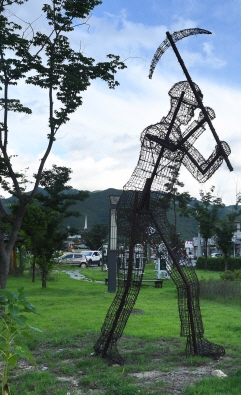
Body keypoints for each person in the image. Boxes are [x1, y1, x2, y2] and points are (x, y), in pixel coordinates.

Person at [94, 81, 230, 364]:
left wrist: (219, 155)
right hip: (137, 204)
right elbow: (172, 146)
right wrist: (202, 125)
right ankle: (106, 346)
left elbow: (201, 172)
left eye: (195, 112)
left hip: (156, 208)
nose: (191, 115)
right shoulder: (154, 132)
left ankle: (196, 342)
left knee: (188, 282)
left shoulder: (180, 138)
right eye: (191, 109)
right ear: (176, 103)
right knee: (131, 282)